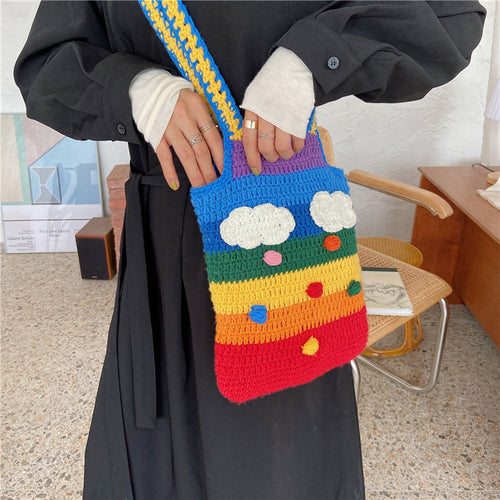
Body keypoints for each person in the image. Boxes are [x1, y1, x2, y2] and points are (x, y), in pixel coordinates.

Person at [15, 2, 485, 499]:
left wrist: (312, 59)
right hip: (166, 240)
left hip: (286, 228)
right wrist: (134, 87)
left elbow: (452, 18)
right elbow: (45, 67)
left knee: (281, 455)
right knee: (164, 454)